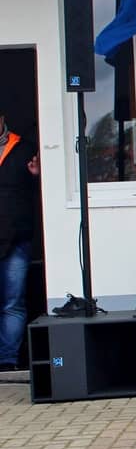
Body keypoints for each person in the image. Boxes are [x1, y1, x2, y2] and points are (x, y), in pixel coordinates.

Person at [0, 107, 40, 371]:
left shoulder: (24, 148)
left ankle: (7, 362)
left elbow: (44, 191)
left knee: (12, 303)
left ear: (2, 119)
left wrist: (37, 177)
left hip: (16, 238)